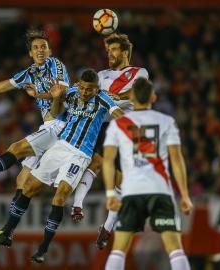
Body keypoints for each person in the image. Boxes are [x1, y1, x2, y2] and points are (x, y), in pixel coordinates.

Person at [0, 30, 102, 220]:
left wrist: (38, 95)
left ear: (50, 50)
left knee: (17, 148)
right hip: (49, 126)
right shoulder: (28, 74)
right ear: (30, 53)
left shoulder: (55, 65)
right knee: (22, 181)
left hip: (62, 125)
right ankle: (8, 230)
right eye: (35, 48)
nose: (40, 50)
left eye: (43, 47)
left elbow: (60, 95)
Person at [0, 69, 123, 264]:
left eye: (89, 89)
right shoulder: (72, 92)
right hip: (60, 147)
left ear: (96, 89)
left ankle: (43, 248)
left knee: (61, 194)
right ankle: (6, 233)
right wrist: (56, 98)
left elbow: (119, 114)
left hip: (80, 154)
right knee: (28, 187)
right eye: (82, 87)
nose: (84, 92)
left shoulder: (103, 99)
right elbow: (56, 113)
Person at [102, 77, 193, 270]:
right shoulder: (167, 121)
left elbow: (108, 160)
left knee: (119, 250)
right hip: (160, 191)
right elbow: (177, 159)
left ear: (131, 97)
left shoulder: (118, 125)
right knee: (175, 249)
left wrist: (111, 193)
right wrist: (184, 196)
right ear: (153, 97)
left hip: (131, 192)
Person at [71, 33, 150, 248]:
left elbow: (139, 91)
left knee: (120, 182)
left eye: (114, 50)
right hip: (104, 126)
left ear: (125, 52)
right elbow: (90, 94)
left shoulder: (138, 72)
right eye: (108, 51)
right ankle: (77, 205)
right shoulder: (101, 74)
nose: (110, 55)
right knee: (95, 163)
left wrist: (119, 97)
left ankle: (107, 227)